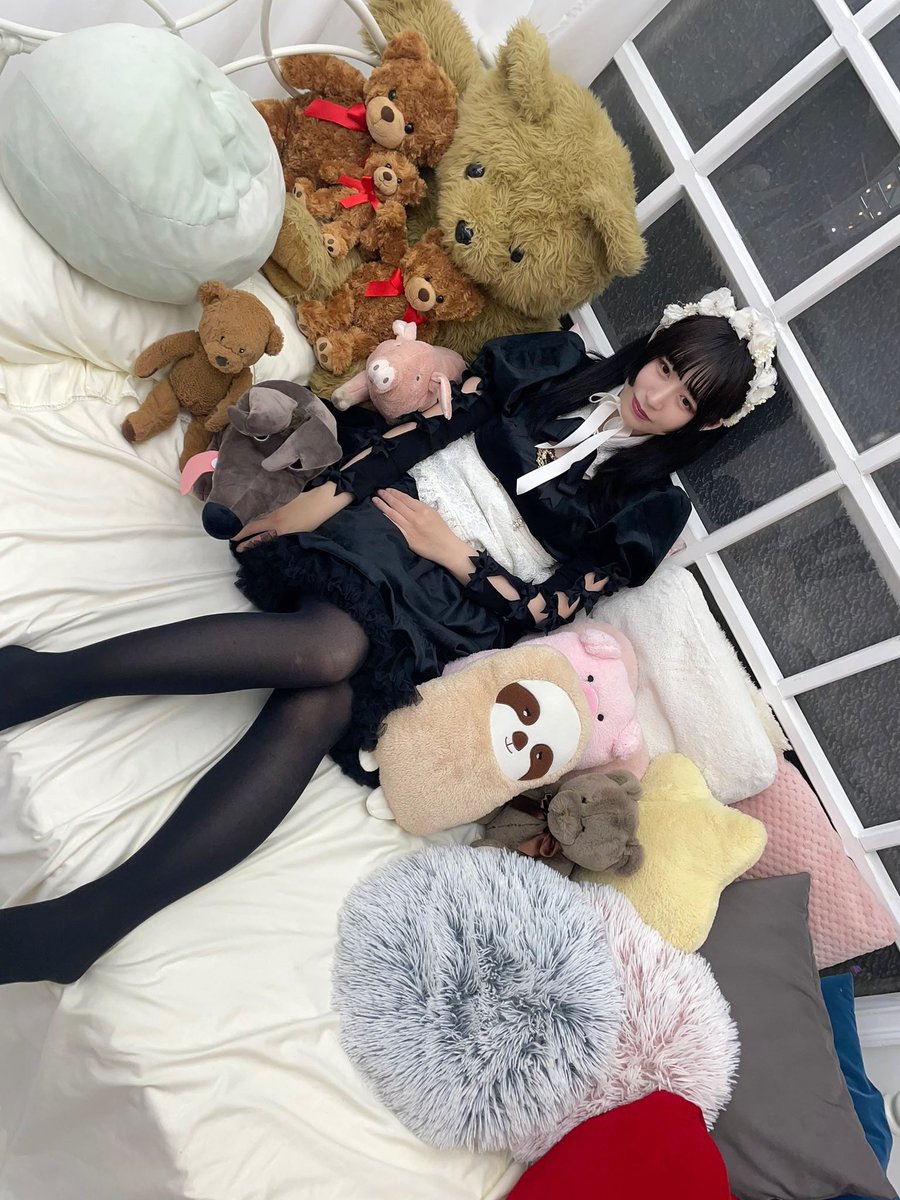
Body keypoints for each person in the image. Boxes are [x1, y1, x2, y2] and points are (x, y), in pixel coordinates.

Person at [0, 287, 777, 984]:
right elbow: (424, 431)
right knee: (332, 650)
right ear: (654, 347)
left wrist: (459, 557)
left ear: (704, 423)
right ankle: (45, 682)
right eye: (664, 368)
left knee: (323, 704)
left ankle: (88, 923)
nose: (655, 393)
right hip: (394, 517)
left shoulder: (653, 509)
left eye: (683, 399)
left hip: (461, 604)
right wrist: (320, 501)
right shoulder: (554, 364)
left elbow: (546, 611)